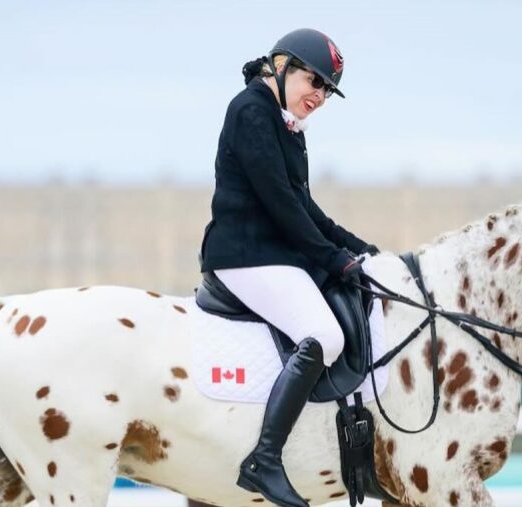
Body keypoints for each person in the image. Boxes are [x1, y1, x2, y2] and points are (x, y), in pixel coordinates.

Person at [198, 28, 378, 507]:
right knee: (326, 336)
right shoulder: (251, 110)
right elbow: (280, 205)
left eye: (326, 89)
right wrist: (333, 259)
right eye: (313, 80)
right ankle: (265, 459)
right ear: (280, 66)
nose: (318, 95)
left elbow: (307, 208)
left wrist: (362, 250)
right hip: (245, 254)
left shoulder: (285, 125)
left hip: (272, 254)